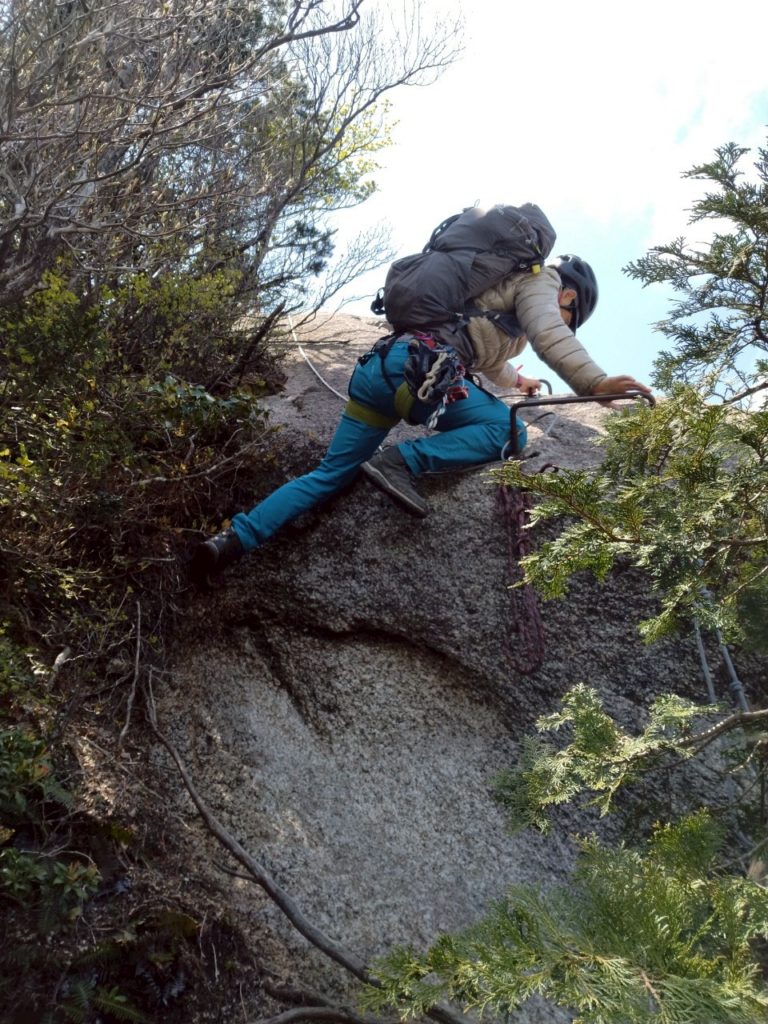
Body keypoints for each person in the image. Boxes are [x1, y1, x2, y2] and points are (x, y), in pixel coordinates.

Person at [189, 252, 651, 586]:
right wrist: (593, 382)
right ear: (568, 294)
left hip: (382, 368)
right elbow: (549, 332)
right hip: (424, 372)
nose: (560, 319)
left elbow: (486, 353)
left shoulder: (495, 289)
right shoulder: (542, 281)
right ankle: (401, 463)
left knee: (329, 475)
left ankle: (231, 541)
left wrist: (518, 381)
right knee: (508, 429)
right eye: (569, 316)